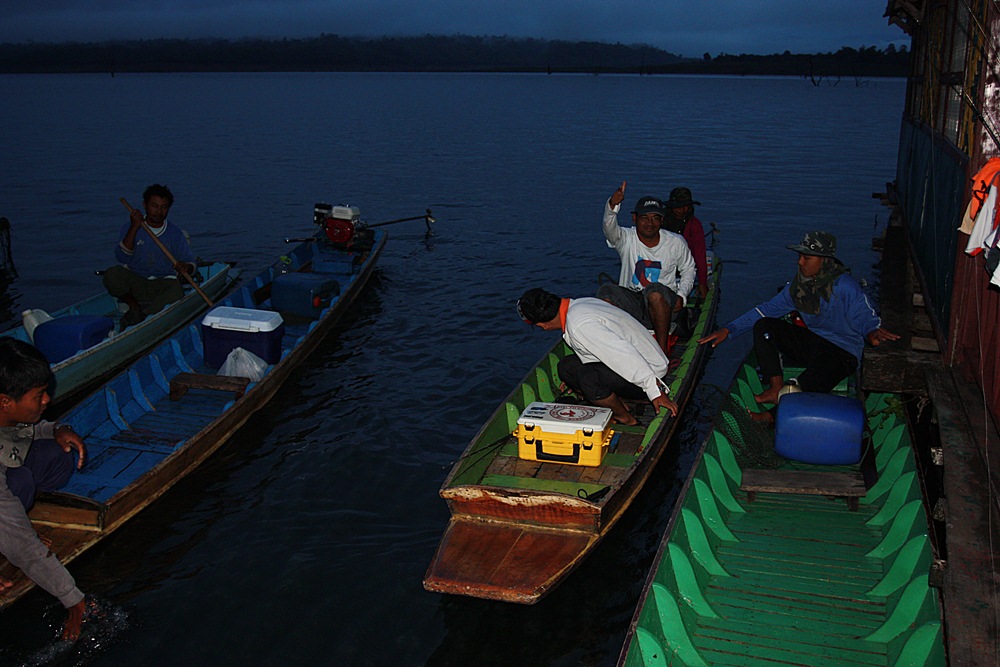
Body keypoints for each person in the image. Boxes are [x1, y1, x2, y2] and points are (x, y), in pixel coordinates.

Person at [699, 231, 899, 410]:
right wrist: (729, 329)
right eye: (800, 256)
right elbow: (764, 311)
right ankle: (775, 387)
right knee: (765, 326)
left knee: (799, 387)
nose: (800, 262)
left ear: (824, 260)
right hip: (813, 343)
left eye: (806, 257)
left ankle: (772, 416)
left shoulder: (845, 286)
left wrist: (872, 330)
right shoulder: (798, 289)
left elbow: (864, 315)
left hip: (842, 352)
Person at [0, 338, 88, 640]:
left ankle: (10, 527)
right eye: (38, 396)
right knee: (18, 489)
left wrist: (58, 429)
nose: (47, 399)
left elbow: (21, 429)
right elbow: (26, 550)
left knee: (55, 455)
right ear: (5, 402)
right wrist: (74, 600)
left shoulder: (6, 413)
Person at [516, 288, 679, 426]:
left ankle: (626, 418)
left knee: (588, 377)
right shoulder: (579, 304)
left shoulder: (580, 325)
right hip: (643, 363)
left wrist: (654, 391)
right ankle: (618, 403)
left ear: (541, 325)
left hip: (651, 372)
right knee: (566, 367)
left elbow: (623, 354)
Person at [598, 181, 696, 356]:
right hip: (635, 304)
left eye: (655, 218)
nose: (649, 223)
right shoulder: (626, 238)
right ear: (635, 218)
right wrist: (613, 205)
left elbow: (689, 269)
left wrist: (682, 295)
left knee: (654, 291)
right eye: (644, 218)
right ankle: (611, 348)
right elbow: (609, 229)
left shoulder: (675, 242)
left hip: (665, 305)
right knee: (606, 290)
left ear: (662, 220)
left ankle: (661, 351)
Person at [103, 184, 196, 329]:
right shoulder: (130, 227)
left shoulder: (175, 234)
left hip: (162, 285)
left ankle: (144, 315)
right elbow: (122, 257)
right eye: (154, 206)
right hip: (136, 282)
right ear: (144, 205)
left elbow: (191, 262)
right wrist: (135, 227)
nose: (159, 212)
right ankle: (134, 306)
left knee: (177, 289)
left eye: (164, 207)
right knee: (112, 274)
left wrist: (187, 267)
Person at [663, 187, 710, 299]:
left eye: (685, 206)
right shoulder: (660, 221)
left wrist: (702, 283)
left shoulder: (694, 225)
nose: (682, 210)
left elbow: (699, 254)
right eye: (678, 206)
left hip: (686, 269)